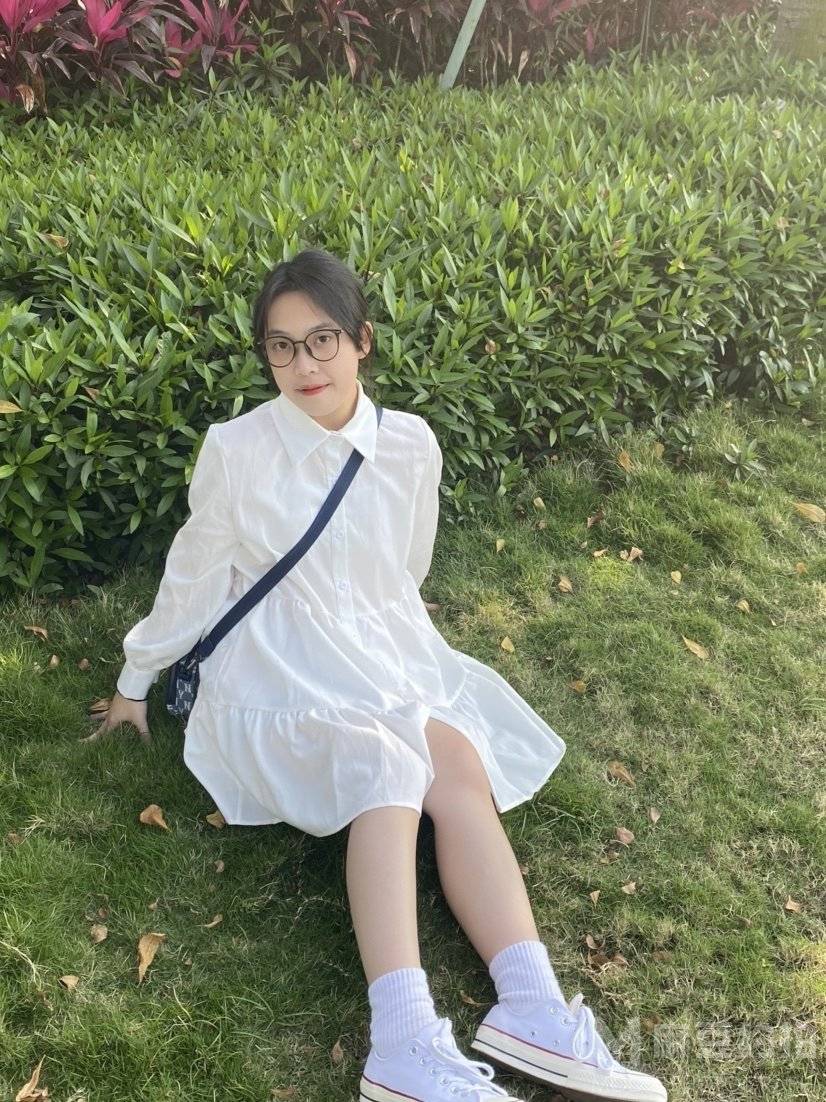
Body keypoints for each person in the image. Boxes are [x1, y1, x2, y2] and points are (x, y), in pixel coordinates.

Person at [88, 248, 667, 1102]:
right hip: (277, 661)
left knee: (455, 760)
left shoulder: (409, 444)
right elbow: (195, 574)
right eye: (281, 346)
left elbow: (406, 564)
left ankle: (532, 1006)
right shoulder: (238, 450)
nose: (304, 364)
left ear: (361, 339)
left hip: (376, 642)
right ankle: (400, 1045)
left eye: (322, 339)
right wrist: (137, 681)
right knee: (385, 761)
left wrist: (383, 630)